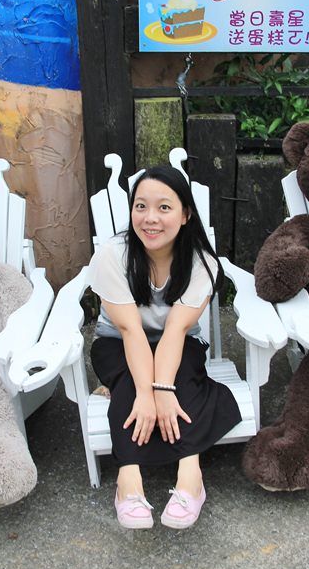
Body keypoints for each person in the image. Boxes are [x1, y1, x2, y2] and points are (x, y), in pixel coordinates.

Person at [88, 165, 240, 529]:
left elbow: (174, 332)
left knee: (182, 375)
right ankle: (129, 480)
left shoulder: (201, 263)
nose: (150, 218)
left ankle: (191, 476)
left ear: (186, 214)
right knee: (128, 380)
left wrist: (163, 389)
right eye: (140, 207)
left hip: (180, 341)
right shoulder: (113, 255)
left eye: (164, 208)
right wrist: (146, 392)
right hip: (116, 341)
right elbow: (130, 332)